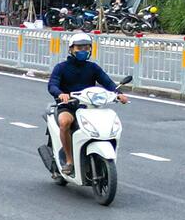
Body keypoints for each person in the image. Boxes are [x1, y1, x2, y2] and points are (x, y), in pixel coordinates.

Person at [47, 31, 126, 175]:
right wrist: (61, 94)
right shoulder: (61, 67)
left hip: (89, 107)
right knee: (65, 122)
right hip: (68, 106)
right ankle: (70, 161)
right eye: (79, 48)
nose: (83, 51)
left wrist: (118, 94)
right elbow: (52, 85)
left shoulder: (92, 67)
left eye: (86, 48)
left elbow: (107, 82)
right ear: (71, 49)